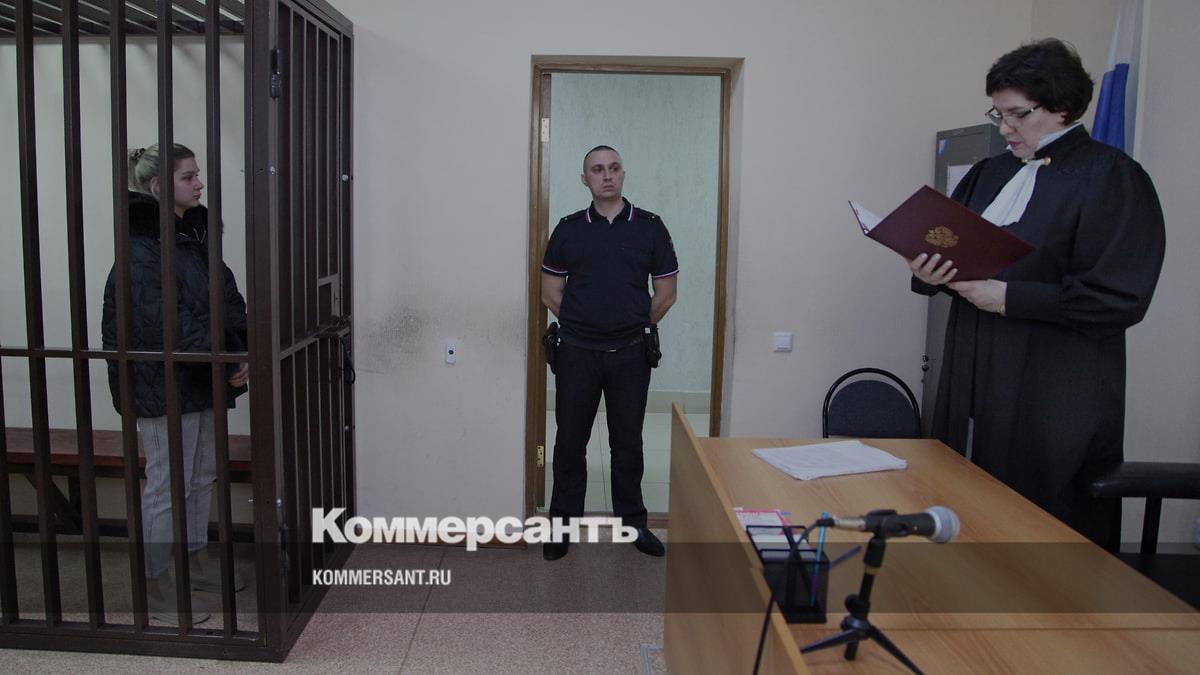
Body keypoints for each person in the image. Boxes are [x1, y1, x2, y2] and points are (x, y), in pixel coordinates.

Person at [909, 39, 1165, 546]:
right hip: (972, 371)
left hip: (1053, 386)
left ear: (1062, 107)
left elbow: (1119, 298)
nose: (1005, 128)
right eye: (998, 113)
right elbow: (953, 252)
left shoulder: (1112, 177)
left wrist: (1008, 298)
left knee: (1040, 521)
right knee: (963, 500)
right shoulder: (988, 173)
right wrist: (929, 270)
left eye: (1018, 115)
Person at [101, 143, 250, 625]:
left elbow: (227, 297)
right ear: (158, 186)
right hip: (163, 382)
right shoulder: (141, 248)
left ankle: (193, 560)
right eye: (189, 177)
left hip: (200, 374)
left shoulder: (193, 236)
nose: (199, 184)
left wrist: (236, 351)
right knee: (167, 484)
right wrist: (225, 356)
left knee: (202, 474)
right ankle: (156, 583)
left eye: (197, 174)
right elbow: (164, 324)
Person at [540, 145, 679, 561]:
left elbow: (666, 293)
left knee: (628, 443)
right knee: (569, 443)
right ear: (585, 179)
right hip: (577, 354)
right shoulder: (568, 230)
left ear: (623, 174)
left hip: (631, 354)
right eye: (597, 170)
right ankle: (562, 527)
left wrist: (630, 324)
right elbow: (550, 292)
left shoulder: (650, 228)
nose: (607, 175)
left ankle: (633, 525)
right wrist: (586, 323)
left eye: (614, 168)